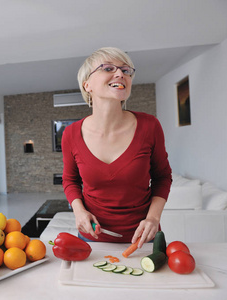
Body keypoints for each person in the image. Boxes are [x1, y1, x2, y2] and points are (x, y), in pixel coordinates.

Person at [61, 47, 172, 248]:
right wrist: (79, 211)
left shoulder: (149, 126)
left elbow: (162, 177)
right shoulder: (70, 134)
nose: (120, 74)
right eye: (108, 68)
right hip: (91, 239)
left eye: (126, 70)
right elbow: (70, 179)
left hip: (143, 240)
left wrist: (153, 219)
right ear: (87, 85)